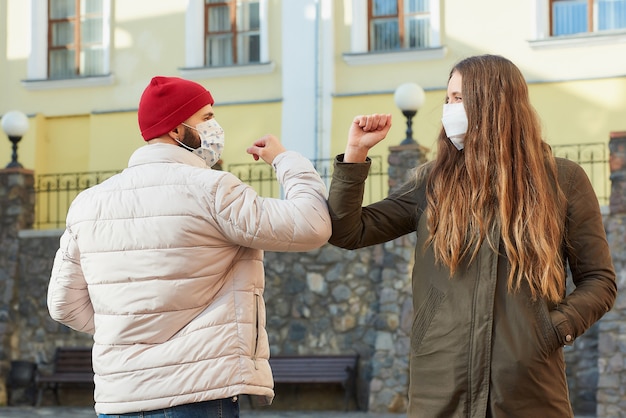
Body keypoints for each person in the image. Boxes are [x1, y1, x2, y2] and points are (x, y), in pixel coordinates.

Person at [327, 54, 617, 417]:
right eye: (448, 99)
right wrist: (355, 154)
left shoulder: (563, 180)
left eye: (459, 99)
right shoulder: (431, 182)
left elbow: (599, 280)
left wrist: (552, 330)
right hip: (440, 390)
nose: (449, 109)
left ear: (493, 102)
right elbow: (347, 231)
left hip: (527, 392)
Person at [47, 76, 332, 417]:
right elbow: (312, 225)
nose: (216, 128)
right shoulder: (212, 191)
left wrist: (128, 326)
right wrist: (284, 160)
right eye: (207, 118)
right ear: (178, 131)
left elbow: (62, 305)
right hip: (197, 394)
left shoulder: (87, 203)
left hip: (119, 398)